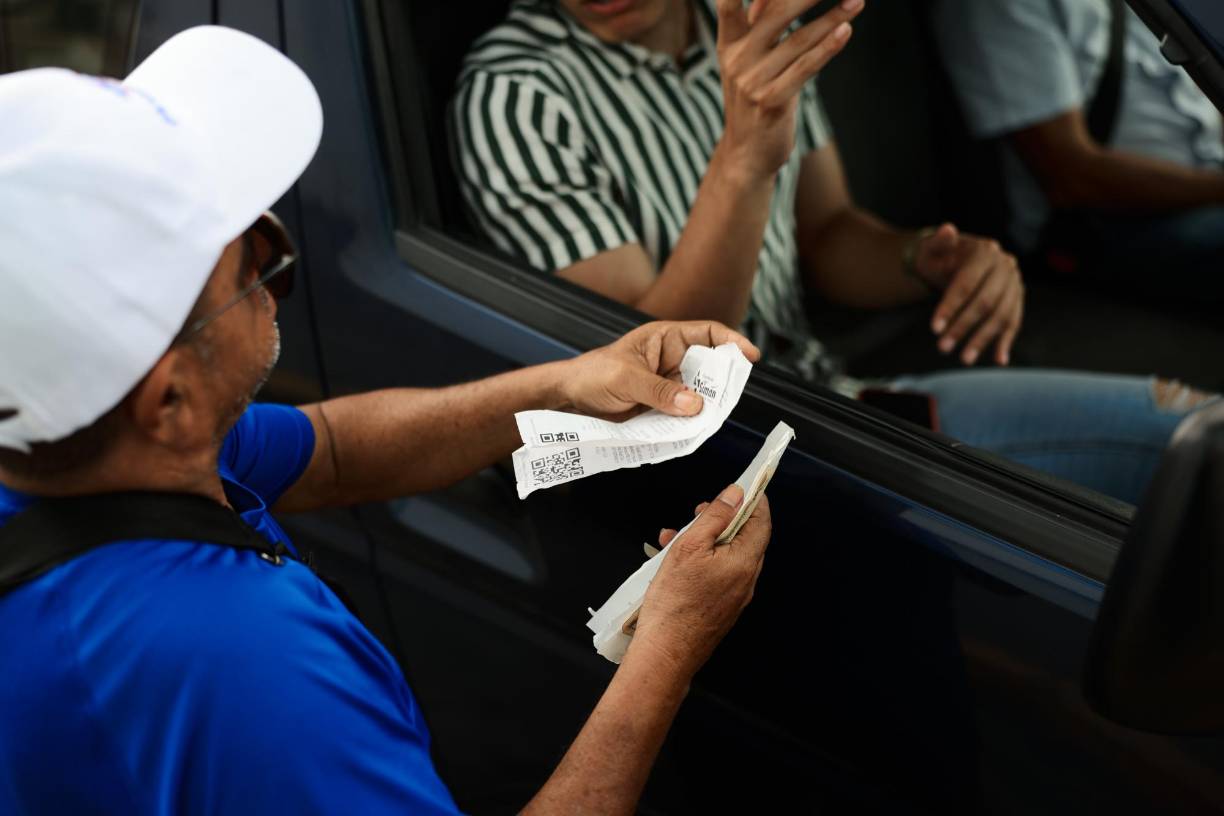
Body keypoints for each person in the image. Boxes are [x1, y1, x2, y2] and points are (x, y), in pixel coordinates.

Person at [0, 27, 772, 815]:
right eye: (251, 263)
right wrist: (669, 648)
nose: (272, 271)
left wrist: (569, 384)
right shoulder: (251, 673)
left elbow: (332, 452)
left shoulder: (72, 438)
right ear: (167, 401)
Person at [451, 0, 1217, 504]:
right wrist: (743, 156)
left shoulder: (748, 32)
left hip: (824, 395)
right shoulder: (517, 92)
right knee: (1186, 453)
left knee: (1191, 435)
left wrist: (927, 259)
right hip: (722, 459)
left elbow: (827, 234)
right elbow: (652, 379)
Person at [932, 0, 1224, 298]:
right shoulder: (999, 8)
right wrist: (1217, 188)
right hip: (1104, 230)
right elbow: (1072, 178)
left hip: (1200, 189)